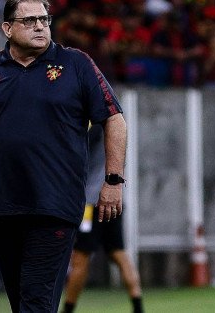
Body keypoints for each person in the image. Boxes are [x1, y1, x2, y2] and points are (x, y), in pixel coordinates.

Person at [0, 0, 127, 313]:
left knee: (34, 302)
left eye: (45, 20)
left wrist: (113, 179)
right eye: (29, 20)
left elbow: (114, 118)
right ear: (7, 29)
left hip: (54, 205)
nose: (40, 27)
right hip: (4, 206)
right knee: (24, 304)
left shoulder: (76, 64)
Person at [62, 123, 143, 313]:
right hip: (113, 198)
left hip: (92, 202)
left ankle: (67, 310)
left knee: (80, 257)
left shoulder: (93, 124)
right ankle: (139, 307)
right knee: (118, 252)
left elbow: (75, 151)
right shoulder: (113, 121)